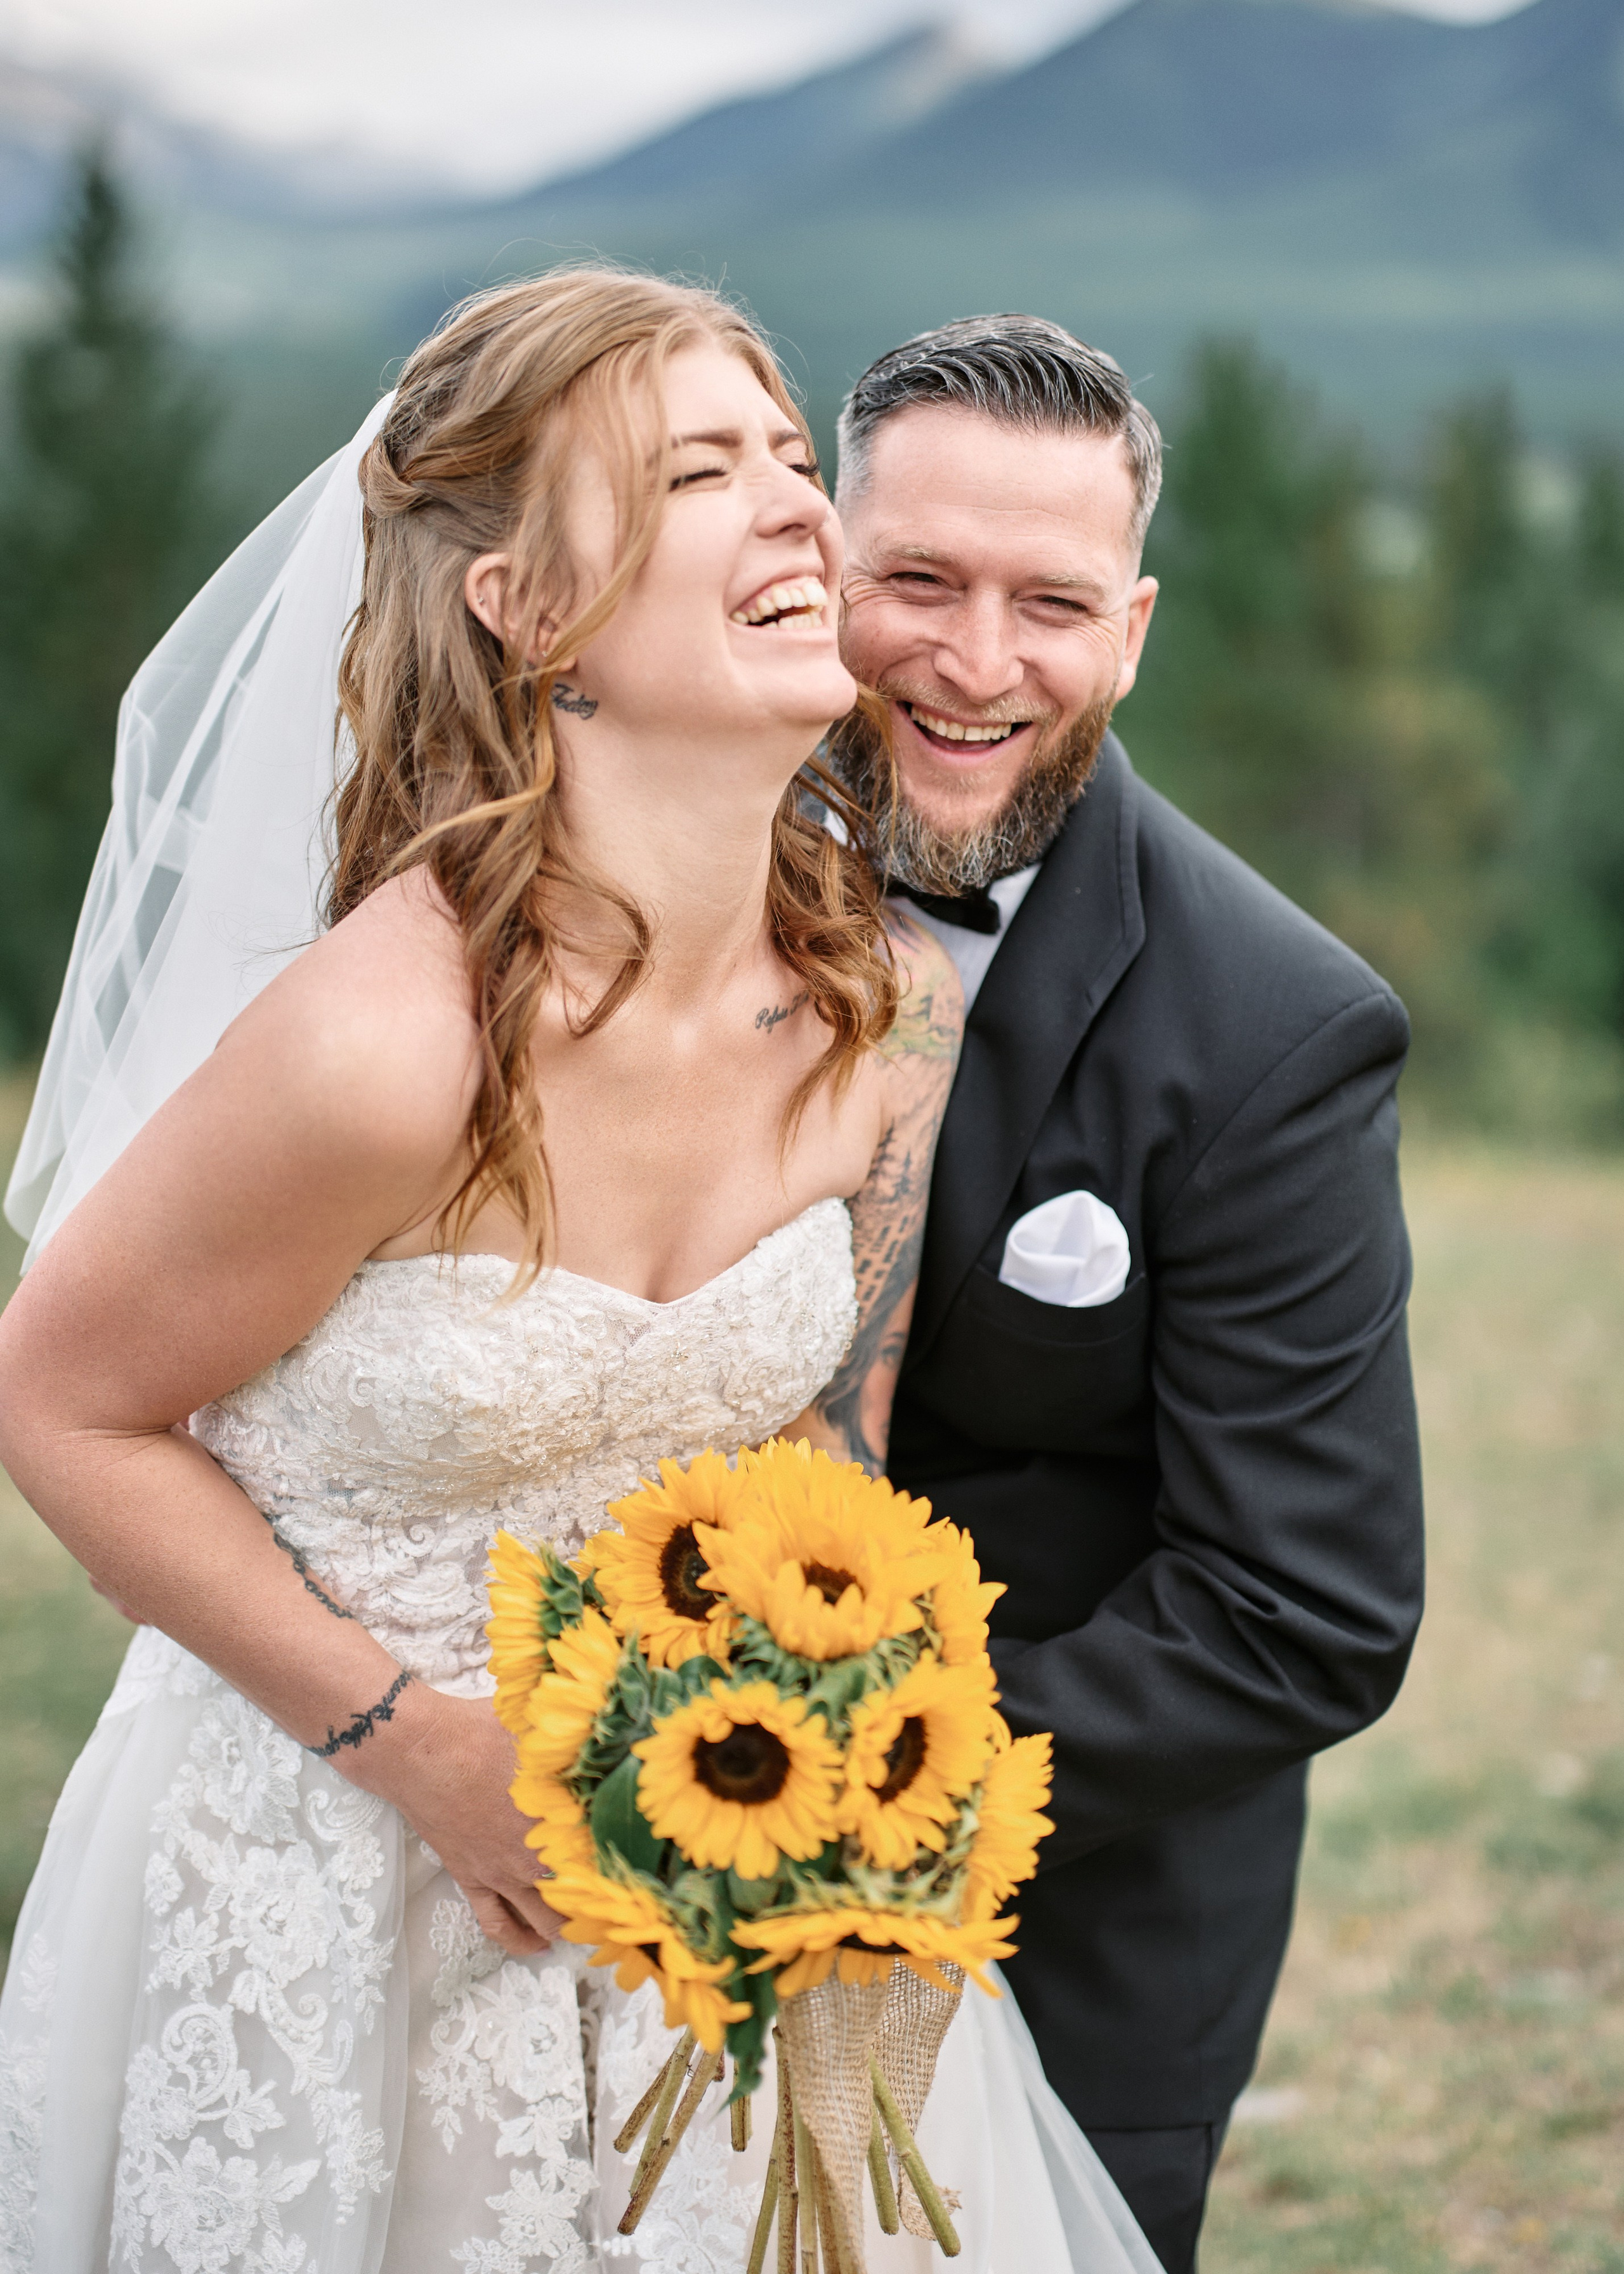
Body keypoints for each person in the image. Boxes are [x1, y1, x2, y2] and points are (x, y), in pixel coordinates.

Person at [0, 274, 1162, 2274]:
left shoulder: (886, 1014)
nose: (800, 507)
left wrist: (838, 1795)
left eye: (794, 456)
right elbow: (59, 1402)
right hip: (328, 1869)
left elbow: (821, 1440)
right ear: (525, 610)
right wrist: (413, 1749)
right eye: (701, 470)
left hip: (709, 1902)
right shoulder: (386, 1043)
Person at [828, 315, 1425, 2274]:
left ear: (1137, 627)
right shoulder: (643, 877)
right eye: (917, 578)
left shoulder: (1278, 1032)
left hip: (1059, 1939)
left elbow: (1305, 1611)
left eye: (1051, 603)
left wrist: (847, 1799)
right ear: (818, 556)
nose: (975, 662)